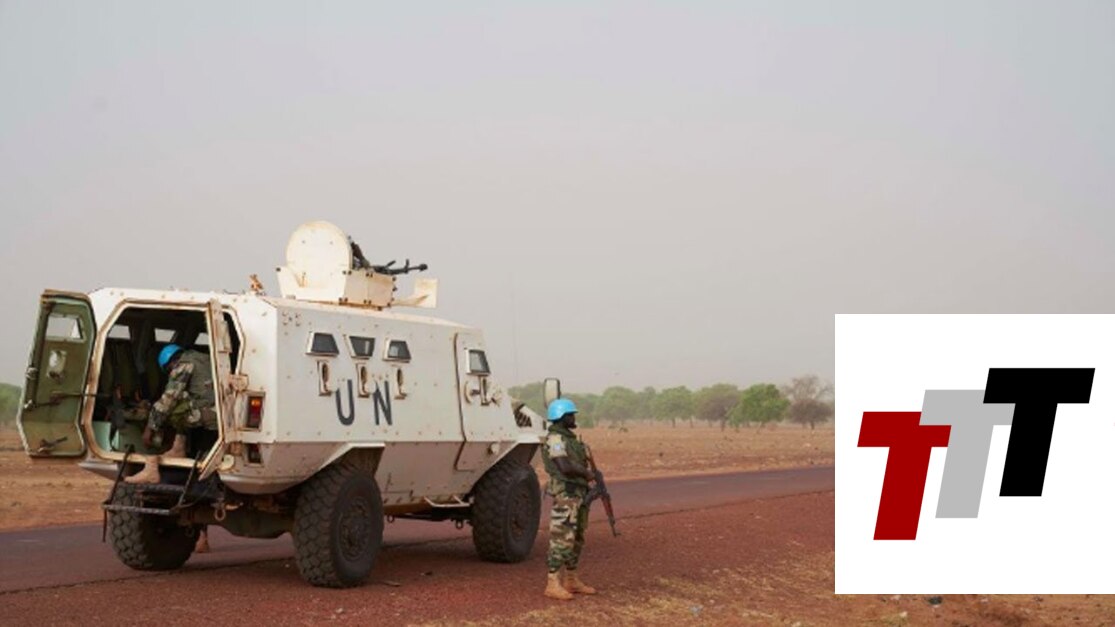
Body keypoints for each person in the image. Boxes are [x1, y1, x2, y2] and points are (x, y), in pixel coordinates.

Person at [125, 343, 218, 484]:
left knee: (171, 412)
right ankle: (179, 447)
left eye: (169, 370)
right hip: (222, 414)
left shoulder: (183, 365)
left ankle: (173, 450)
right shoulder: (204, 358)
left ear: (171, 363)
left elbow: (169, 398)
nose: (171, 373)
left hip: (208, 414)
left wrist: (150, 427)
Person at [540, 398, 598, 600]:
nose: (574, 418)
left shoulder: (571, 440)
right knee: (562, 537)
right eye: (571, 415)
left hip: (578, 494)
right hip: (566, 494)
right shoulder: (555, 439)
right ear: (561, 417)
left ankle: (571, 580)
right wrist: (587, 474)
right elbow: (564, 466)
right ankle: (552, 583)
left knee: (577, 537)